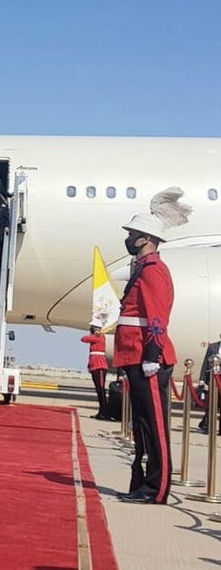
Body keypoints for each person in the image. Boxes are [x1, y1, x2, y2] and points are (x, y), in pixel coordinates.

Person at [115, 187, 191, 505]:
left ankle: (156, 489)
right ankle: (142, 483)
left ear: (146, 238)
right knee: (144, 426)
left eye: (133, 234)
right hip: (134, 355)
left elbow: (157, 315)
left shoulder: (154, 271)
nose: (129, 238)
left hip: (148, 358)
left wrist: (152, 353)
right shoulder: (143, 269)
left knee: (156, 427)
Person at [81, 322, 110, 420]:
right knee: (98, 390)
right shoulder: (96, 337)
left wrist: (96, 332)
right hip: (95, 365)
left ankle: (105, 412)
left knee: (101, 389)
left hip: (99, 366)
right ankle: (102, 411)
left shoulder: (99, 336)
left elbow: (84, 339)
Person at [198, 336, 221, 434]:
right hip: (212, 378)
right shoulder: (213, 347)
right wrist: (202, 379)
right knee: (211, 403)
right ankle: (207, 426)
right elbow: (205, 363)